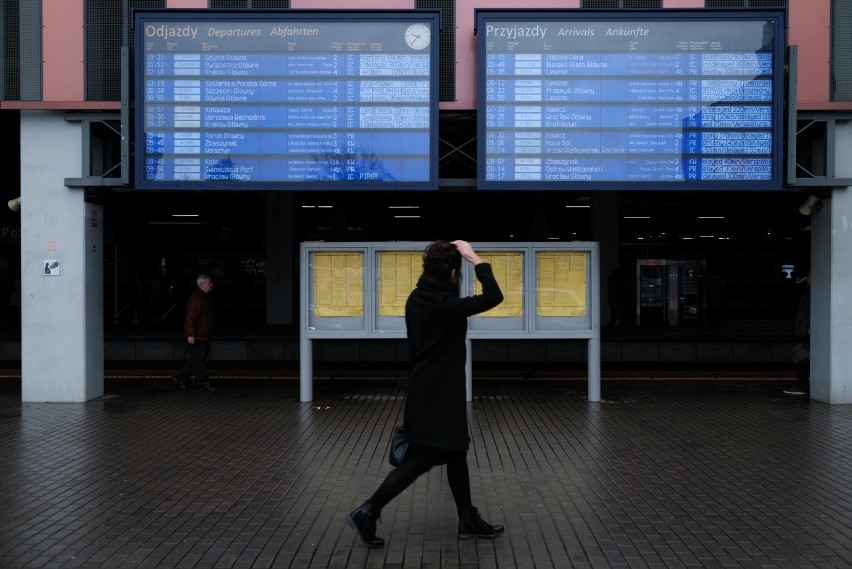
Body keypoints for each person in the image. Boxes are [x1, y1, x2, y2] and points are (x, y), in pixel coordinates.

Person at [347, 240, 505, 548]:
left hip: (429, 391)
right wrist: (476, 260)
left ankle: (467, 519)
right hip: (439, 397)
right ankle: (367, 510)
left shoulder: (419, 297)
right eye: (460, 272)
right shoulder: (444, 304)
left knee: (457, 452)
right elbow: (494, 296)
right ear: (451, 272)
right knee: (421, 460)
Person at [172, 273, 215, 390]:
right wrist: (191, 334)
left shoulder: (201, 297)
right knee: (199, 360)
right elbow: (191, 317)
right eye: (209, 282)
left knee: (195, 359)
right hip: (198, 335)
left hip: (201, 334)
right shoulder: (198, 298)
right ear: (203, 284)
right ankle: (203, 382)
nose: (212, 284)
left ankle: (181, 377)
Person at [784, 273, 810, 396]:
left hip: (806, 332)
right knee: (803, 357)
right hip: (806, 331)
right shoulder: (809, 295)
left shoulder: (808, 297)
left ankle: (801, 386)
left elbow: (805, 317)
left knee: (801, 357)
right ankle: (803, 385)